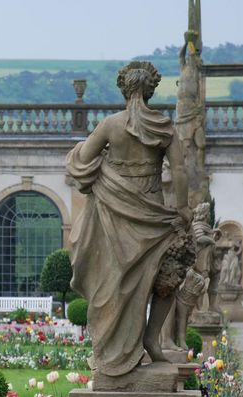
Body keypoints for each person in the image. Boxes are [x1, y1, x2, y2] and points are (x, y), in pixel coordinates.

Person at [66, 61, 191, 378]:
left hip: (115, 211)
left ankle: (107, 349)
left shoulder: (111, 125)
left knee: (113, 282)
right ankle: (150, 339)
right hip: (151, 210)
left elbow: (82, 159)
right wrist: (184, 208)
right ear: (151, 90)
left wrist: (96, 160)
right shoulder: (163, 126)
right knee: (165, 278)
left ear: (124, 89)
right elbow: (178, 170)